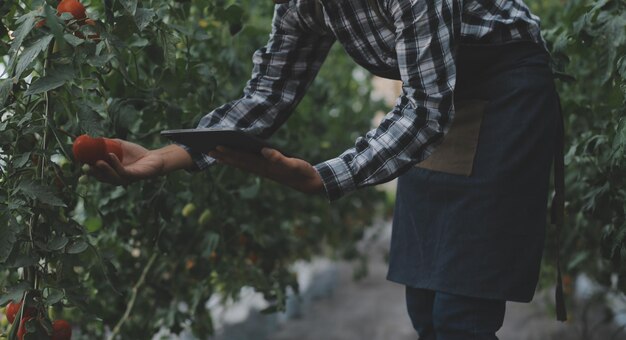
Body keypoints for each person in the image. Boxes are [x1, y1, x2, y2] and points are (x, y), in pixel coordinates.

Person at [91, 0, 563, 338]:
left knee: (462, 311)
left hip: (503, 91)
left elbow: (424, 112)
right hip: (438, 97)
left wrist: (325, 177)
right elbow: (267, 94)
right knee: (426, 308)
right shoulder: (303, 5)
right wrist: (167, 157)